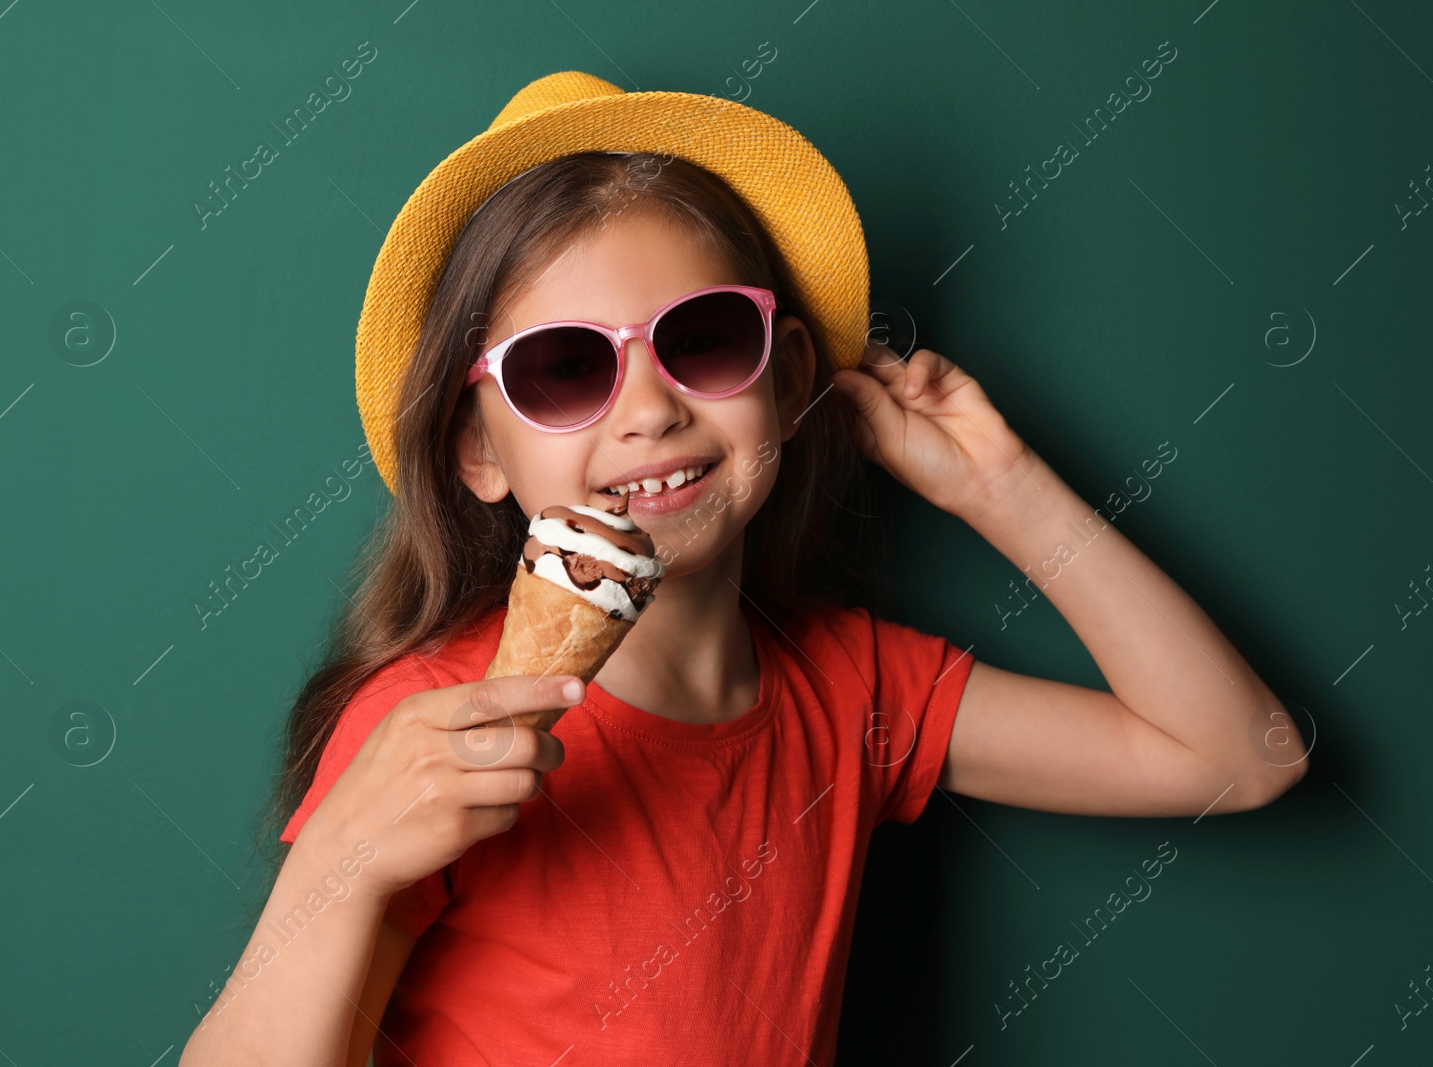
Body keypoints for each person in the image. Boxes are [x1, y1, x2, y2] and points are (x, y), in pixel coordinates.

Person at [180, 71, 1306, 1066]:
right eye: (565, 369)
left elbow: (1238, 754)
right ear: (477, 446)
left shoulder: (853, 693)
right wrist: (342, 859)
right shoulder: (430, 729)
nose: (650, 410)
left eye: (704, 338)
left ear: (786, 371)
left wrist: (997, 487)